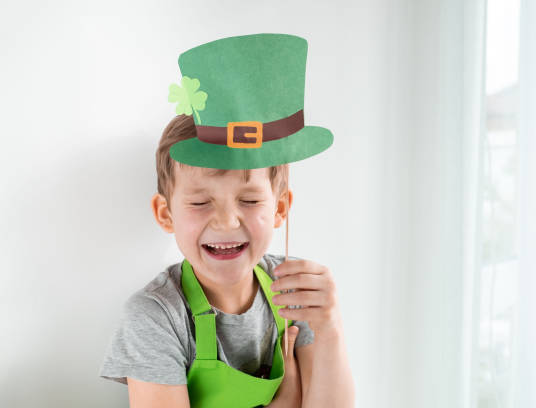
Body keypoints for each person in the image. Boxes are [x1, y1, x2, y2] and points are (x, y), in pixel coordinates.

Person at [98, 33, 355, 407]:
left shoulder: (296, 293)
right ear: (165, 213)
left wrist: (329, 328)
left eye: (249, 200)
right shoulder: (156, 316)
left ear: (280, 208)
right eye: (201, 202)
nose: (226, 221)